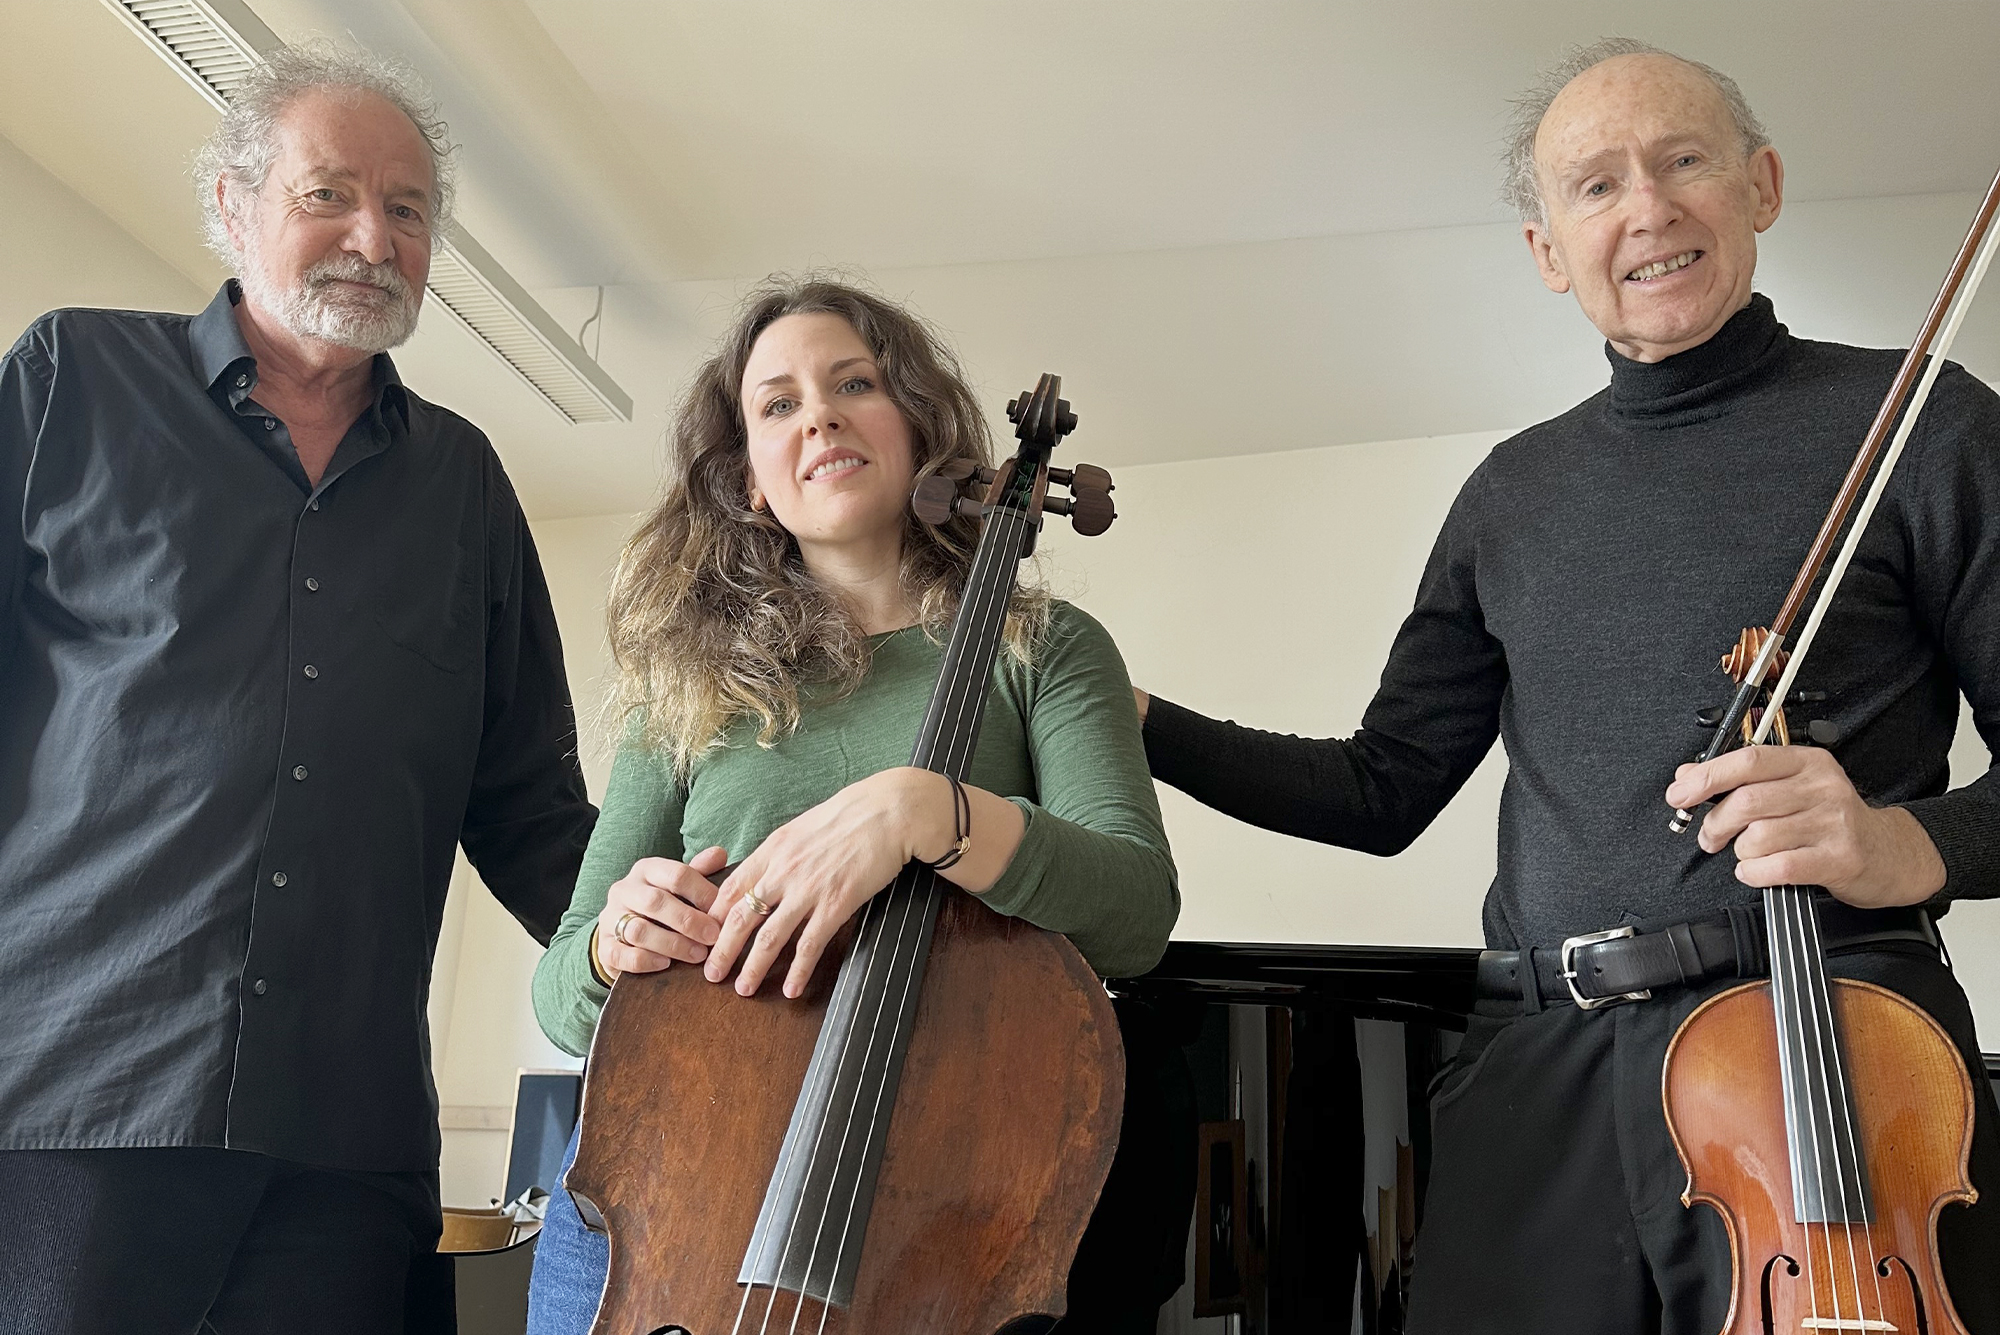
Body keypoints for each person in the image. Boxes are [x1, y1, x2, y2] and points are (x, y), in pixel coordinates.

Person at [1136, 39, 2000, 1334]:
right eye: (1595, 185)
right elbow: (1380, 787)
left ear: (1760, 185)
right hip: (1538, 1071)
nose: (1645, 206)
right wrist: (1137, 721)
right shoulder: (1509, 494)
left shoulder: (1923, 425)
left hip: (1823, 1047)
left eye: (1682, 159)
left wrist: (1900, 843)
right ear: (1549, 250)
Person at [0, 45, 597, 1334]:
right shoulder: (71, 380)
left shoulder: (463, 486)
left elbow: (532, 812)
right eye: (329, 194)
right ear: (232, 204)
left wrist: (685, 964)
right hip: (70, 1102)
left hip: (347, 1145)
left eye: (409, 210)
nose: (373, 239)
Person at [525, 277, 1185, 1334]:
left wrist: (928, 811)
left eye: (854, 384)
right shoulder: (683, 691)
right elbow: (561, 999)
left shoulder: (1045, 648)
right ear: (749, 479)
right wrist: (613, 941)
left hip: (926, 1210)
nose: (819, 417)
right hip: (659, 1206)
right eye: (778, 404)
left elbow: (1135, 912)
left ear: (918, 424)